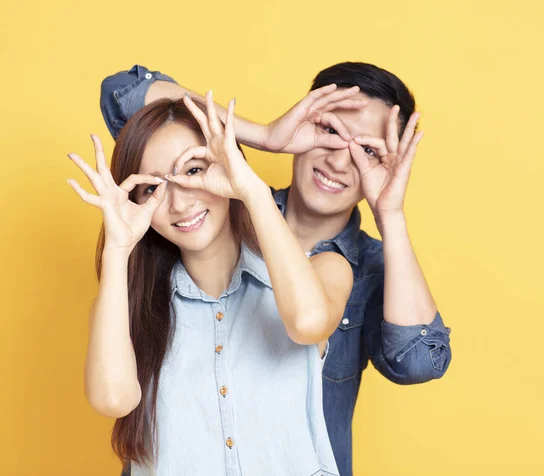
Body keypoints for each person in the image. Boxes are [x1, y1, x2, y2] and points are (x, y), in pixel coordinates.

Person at [99, 61, 452, 476]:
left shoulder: (368, 268)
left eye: (369, 150)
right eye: (331, 132)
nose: (341, 161)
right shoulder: (217, 207)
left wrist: (390, 214)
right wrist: (262, 136)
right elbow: (125, 95)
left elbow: (417, 363)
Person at [67, 94, 353, 475]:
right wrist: (118, 248)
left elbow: (308, 323)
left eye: (193, 170)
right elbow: (113, 399)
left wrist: (252, 191)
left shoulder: (324, 270)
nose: (180, 202)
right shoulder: (124, 310)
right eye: (152, 189)